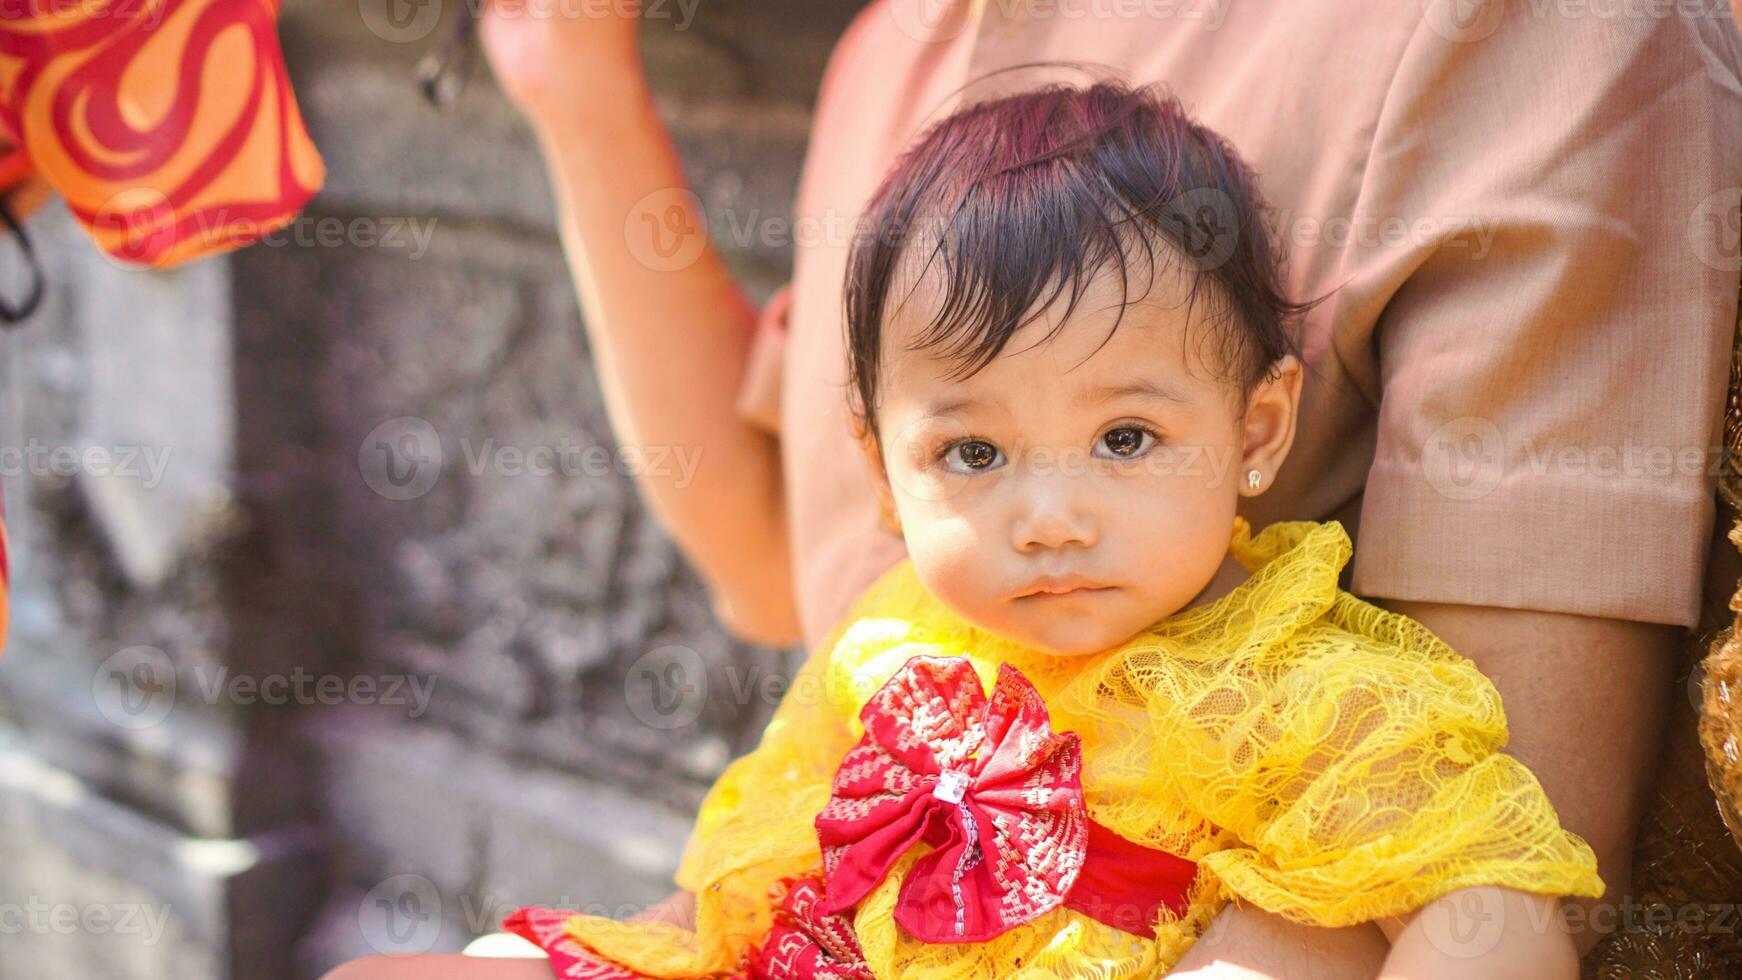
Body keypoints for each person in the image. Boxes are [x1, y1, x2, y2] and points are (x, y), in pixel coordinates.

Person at [323, 2, 1742, 977]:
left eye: (1125, 437)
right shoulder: (899, 40)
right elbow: (776, 565)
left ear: (1260, 426)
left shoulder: (1513, 35)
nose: (1046, 512)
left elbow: (1518, 843)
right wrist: (574, 86)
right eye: (972, 454)